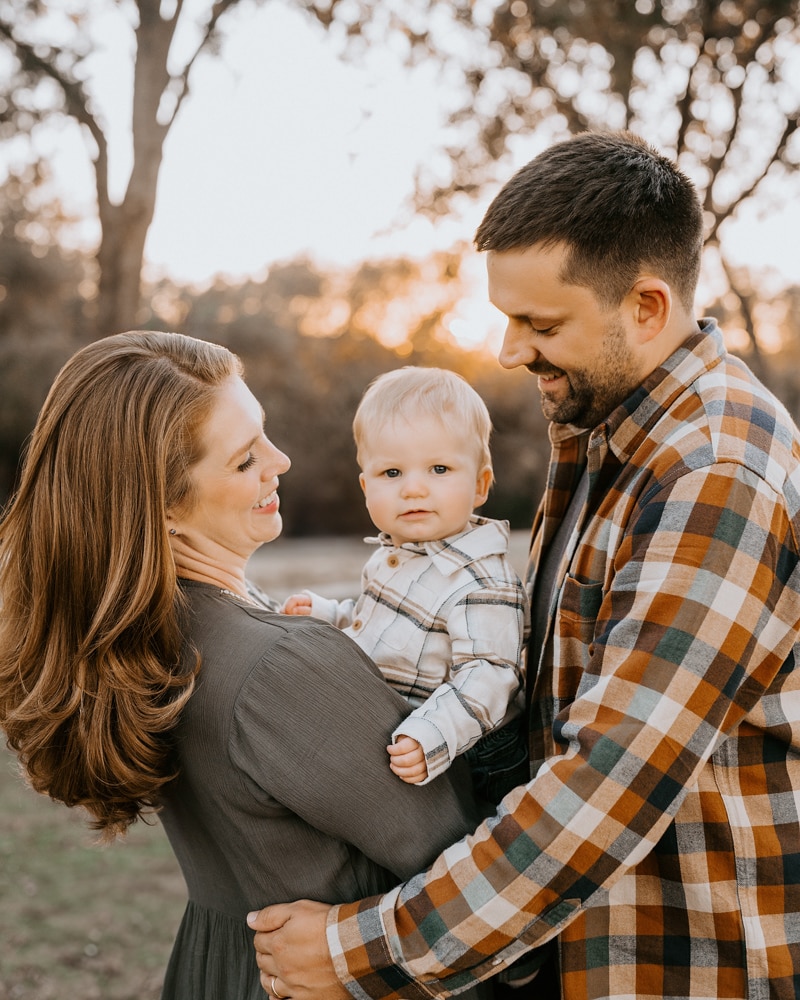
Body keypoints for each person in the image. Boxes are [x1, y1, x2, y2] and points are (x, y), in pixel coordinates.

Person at [248, 129, 800, 1000]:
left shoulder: (714, 475)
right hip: (582, 952)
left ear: (648, 307)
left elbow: (609, 782)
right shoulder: (607, 433)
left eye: (540, 324)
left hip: (686, 963)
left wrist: (364, 949)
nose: (509, 352)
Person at [0, 330, 492, 1000]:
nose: (280, 460)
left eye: (265, 434)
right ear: (165, 509)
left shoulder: (147, 642)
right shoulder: (280, 667)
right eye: (243, 461)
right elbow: (476, 883)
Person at [283, 366, 528, 795]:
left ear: (480, 485)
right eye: (392, 473)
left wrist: (433, 734)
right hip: (405, 731)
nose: (413, 489)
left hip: (468, 751)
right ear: (365, 486)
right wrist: (328, 614)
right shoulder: (392, 558)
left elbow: (489, 676)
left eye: (438, 468)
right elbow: (377, 627)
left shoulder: (482, 583)